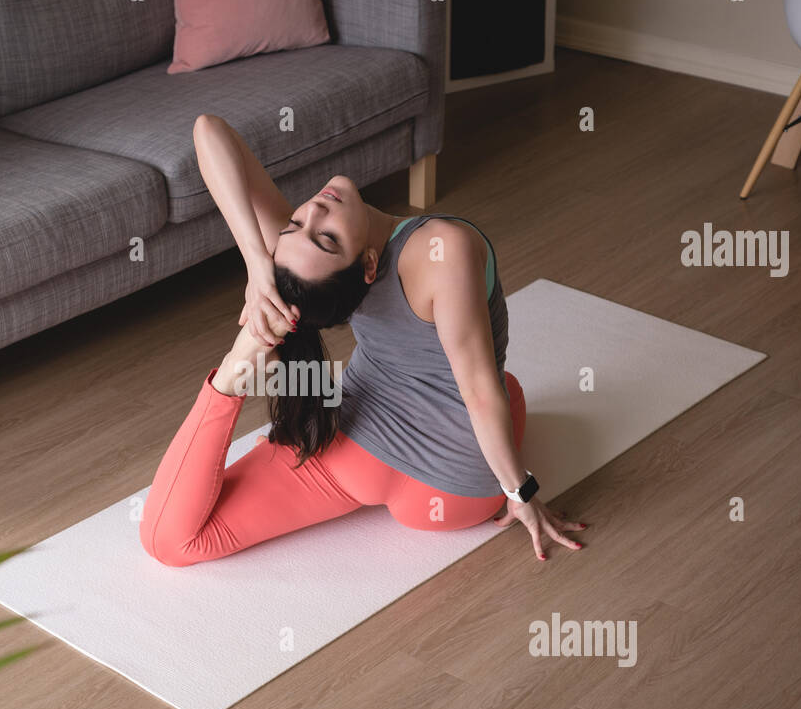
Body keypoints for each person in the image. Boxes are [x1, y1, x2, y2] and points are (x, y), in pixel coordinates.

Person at [140, 114, 586, 567]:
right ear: (368, 268)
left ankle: (231, 378)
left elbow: (209, 130)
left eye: (299, 225)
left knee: (171, 540)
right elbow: (478, 390)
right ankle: (236, 369)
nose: (313, 209)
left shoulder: (322, 269)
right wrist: (520, 491)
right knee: (503, 388)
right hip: (452, 485)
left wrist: (259, 264)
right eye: (315, 233)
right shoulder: (441, 248)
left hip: (350, 445)